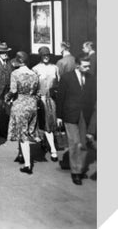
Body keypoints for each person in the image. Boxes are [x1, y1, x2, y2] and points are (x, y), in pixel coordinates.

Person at [56, 54, 96, 185]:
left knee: (83, 144)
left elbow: (92, 97)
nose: (88, 68)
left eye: (89, 66)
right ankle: (75, 173)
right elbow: (60, 98)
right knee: (74, 143)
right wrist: (59, 116)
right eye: (85, 66)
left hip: (85, 115)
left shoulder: (91, 78)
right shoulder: (66, 78)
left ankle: (79, 168)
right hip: (70, 114)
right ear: (78, 65)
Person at [6, 51, 39, 174]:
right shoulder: (34, 74)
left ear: (19, 61)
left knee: (23, 133)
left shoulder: (15, 73)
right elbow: (37, 91)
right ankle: (21, 155)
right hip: (32, 104)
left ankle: (27, 164)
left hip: (20, 104)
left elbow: (13, 90)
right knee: (26, 131)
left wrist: (7, 98)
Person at [32, 46, 59, 162]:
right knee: (45, 123)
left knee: (51, 123)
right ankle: (52, 149)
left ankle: (48, 144)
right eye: (44, 55)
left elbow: (59, 82)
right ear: (40, 56)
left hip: (52, 99)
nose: (46, 57)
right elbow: (33, 85)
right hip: (42, 99)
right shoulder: (35, 69)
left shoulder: (55, 68)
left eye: (47, 55)